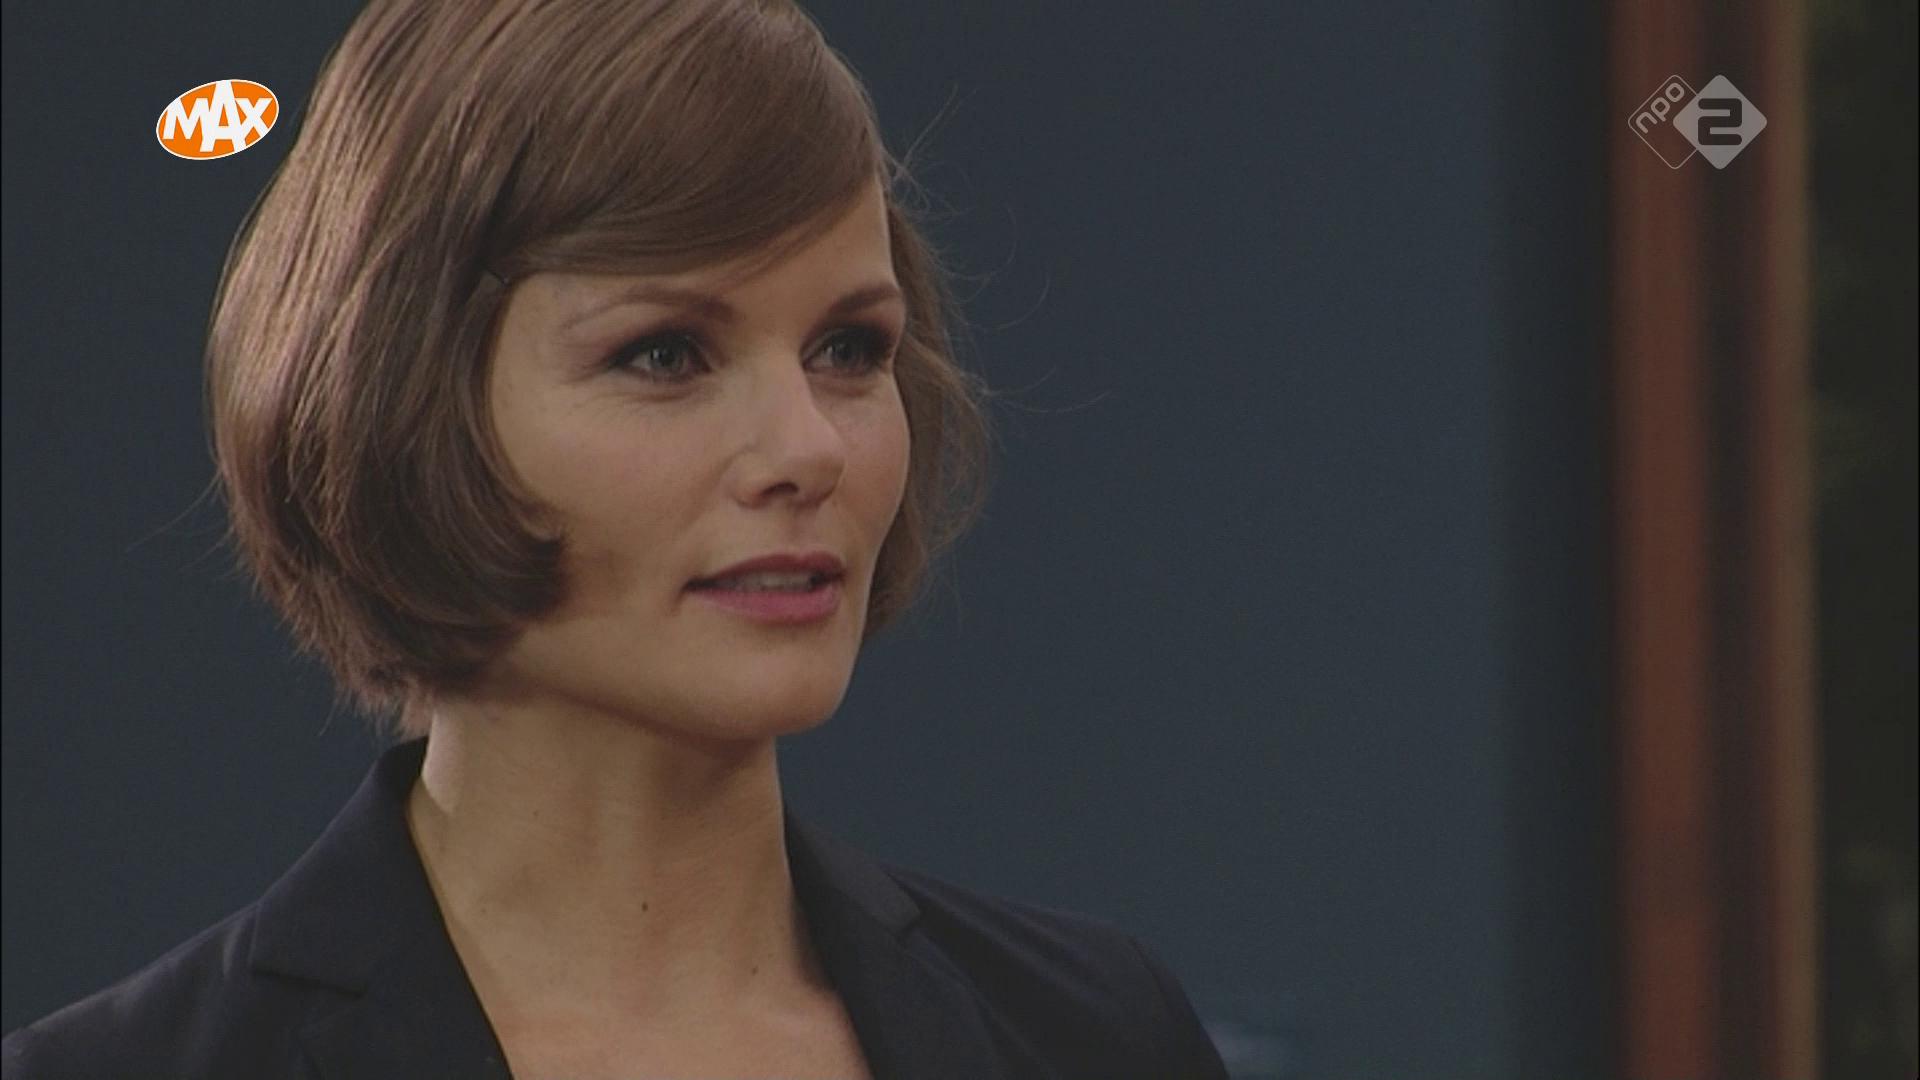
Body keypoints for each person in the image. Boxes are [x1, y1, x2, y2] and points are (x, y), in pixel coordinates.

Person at [1, 1, 1230, 1077]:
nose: (810, 447)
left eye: (848, 348)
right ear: (399, 400)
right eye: (666, 354)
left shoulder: (1089, 1036)